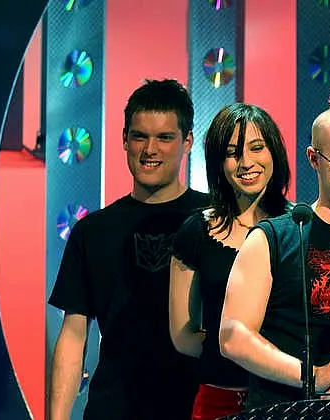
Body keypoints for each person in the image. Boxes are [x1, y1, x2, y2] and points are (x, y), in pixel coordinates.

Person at [219, 88, 330, 409]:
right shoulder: (273, 237)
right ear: (314, 159)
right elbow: (233, 335)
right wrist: (313, 375)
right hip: (281, 410)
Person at [48, 79, 209, 420]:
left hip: (200, 408)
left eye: (165, 137)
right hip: (114, 408)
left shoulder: (217, 220)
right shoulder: (91, 232)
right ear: (124, 140)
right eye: (140, 136)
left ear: (188, 142)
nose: (150, 149)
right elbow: (74, 335)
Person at [169, 103, 292, 420]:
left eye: (256, 148)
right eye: (233, 152)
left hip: (284, 400)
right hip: (218, 400)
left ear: (274, 153)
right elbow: (183, 336)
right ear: (218, 163)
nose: (246, 162)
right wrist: (232, 348)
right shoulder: (194, 231)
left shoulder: (300, 227)